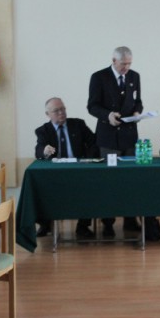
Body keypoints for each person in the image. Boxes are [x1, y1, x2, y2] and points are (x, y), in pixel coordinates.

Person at [87, 46, 160, 241]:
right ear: (113, 60)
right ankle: (108, 222)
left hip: (129, 135)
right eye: (123, 64)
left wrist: (137, 112)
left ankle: (130, 218)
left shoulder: (134, 76)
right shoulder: (99, 77)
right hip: (108, 136)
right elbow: (92, 106)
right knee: (109, 181)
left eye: (129, 64)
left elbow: (138, 101)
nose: (126, 68)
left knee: (131, 179)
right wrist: (108, 115)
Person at [34, 97, 98, 238]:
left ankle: (83, 227)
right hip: (56, 173)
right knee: (39, 186)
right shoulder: (43, 130)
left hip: (79, 170)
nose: (61, 113)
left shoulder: (78, 124)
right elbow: (39, 149)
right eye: (56, 110)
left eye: (63, 109)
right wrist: (44, 150)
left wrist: (87, 159)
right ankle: (45, 223)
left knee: (90, 187)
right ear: (47, 114)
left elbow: (94, 143)